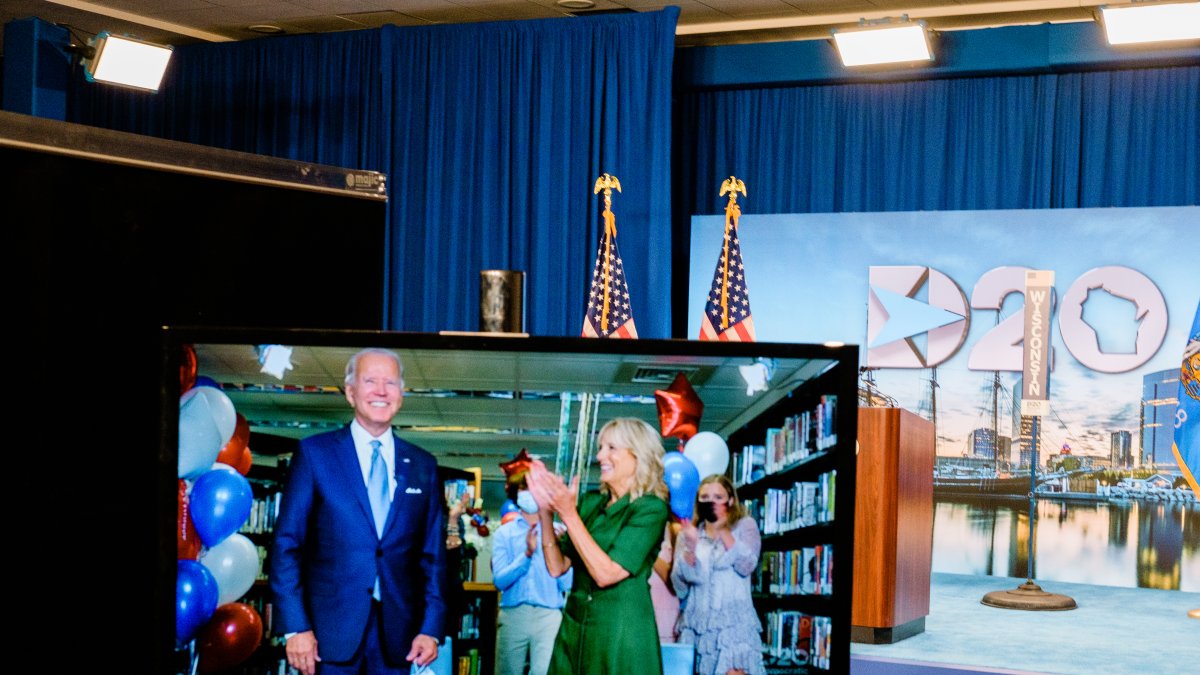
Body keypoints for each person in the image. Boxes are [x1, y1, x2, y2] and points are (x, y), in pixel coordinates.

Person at [271, 348, 446, 675]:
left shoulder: (424, 465)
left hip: (401, 640)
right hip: (326, 640)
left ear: (402, 394)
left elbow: (433, 556)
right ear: (351, 393)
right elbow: (287, 546)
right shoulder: (315, 455)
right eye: (370, 381)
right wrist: (296, 628)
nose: (381, 391)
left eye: (391, 383)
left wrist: (431, 627)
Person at [525, 417, 671, 675]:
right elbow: (557, 566)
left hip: (620, 634)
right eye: (601, 447)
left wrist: (568, 514)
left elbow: (607, 574)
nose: (600, 455)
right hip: (575, 626)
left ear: (638, 455)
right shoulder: (591, 503)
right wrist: (546, 512)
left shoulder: (651, 509)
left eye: (611, 448)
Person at [671, 475, 765, 675]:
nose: (711, 502)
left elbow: (746, 566)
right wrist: (690, 549)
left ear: (730, 500)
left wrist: (723, 529)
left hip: (734, 628)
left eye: (718, 496)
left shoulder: (745, 526)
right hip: (698, 628)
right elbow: (680, 589)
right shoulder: (687, 534)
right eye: (705, 497)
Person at [491, 471, 573, 675]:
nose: (529, 494)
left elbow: (568, 584)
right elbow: (499, 581)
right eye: (523, 489)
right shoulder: (504, 533)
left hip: (549, 615)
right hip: (514, 614)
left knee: (546, 671)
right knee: (507, 671)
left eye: (534, 490)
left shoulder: (560, 532)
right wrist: (526, 555)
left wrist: (561, 551)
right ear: (515, 495)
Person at [649, 523, 681, 644]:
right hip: (641, 613)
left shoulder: (674, 530)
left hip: (665, 617)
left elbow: (675, 582)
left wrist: (648, 551)